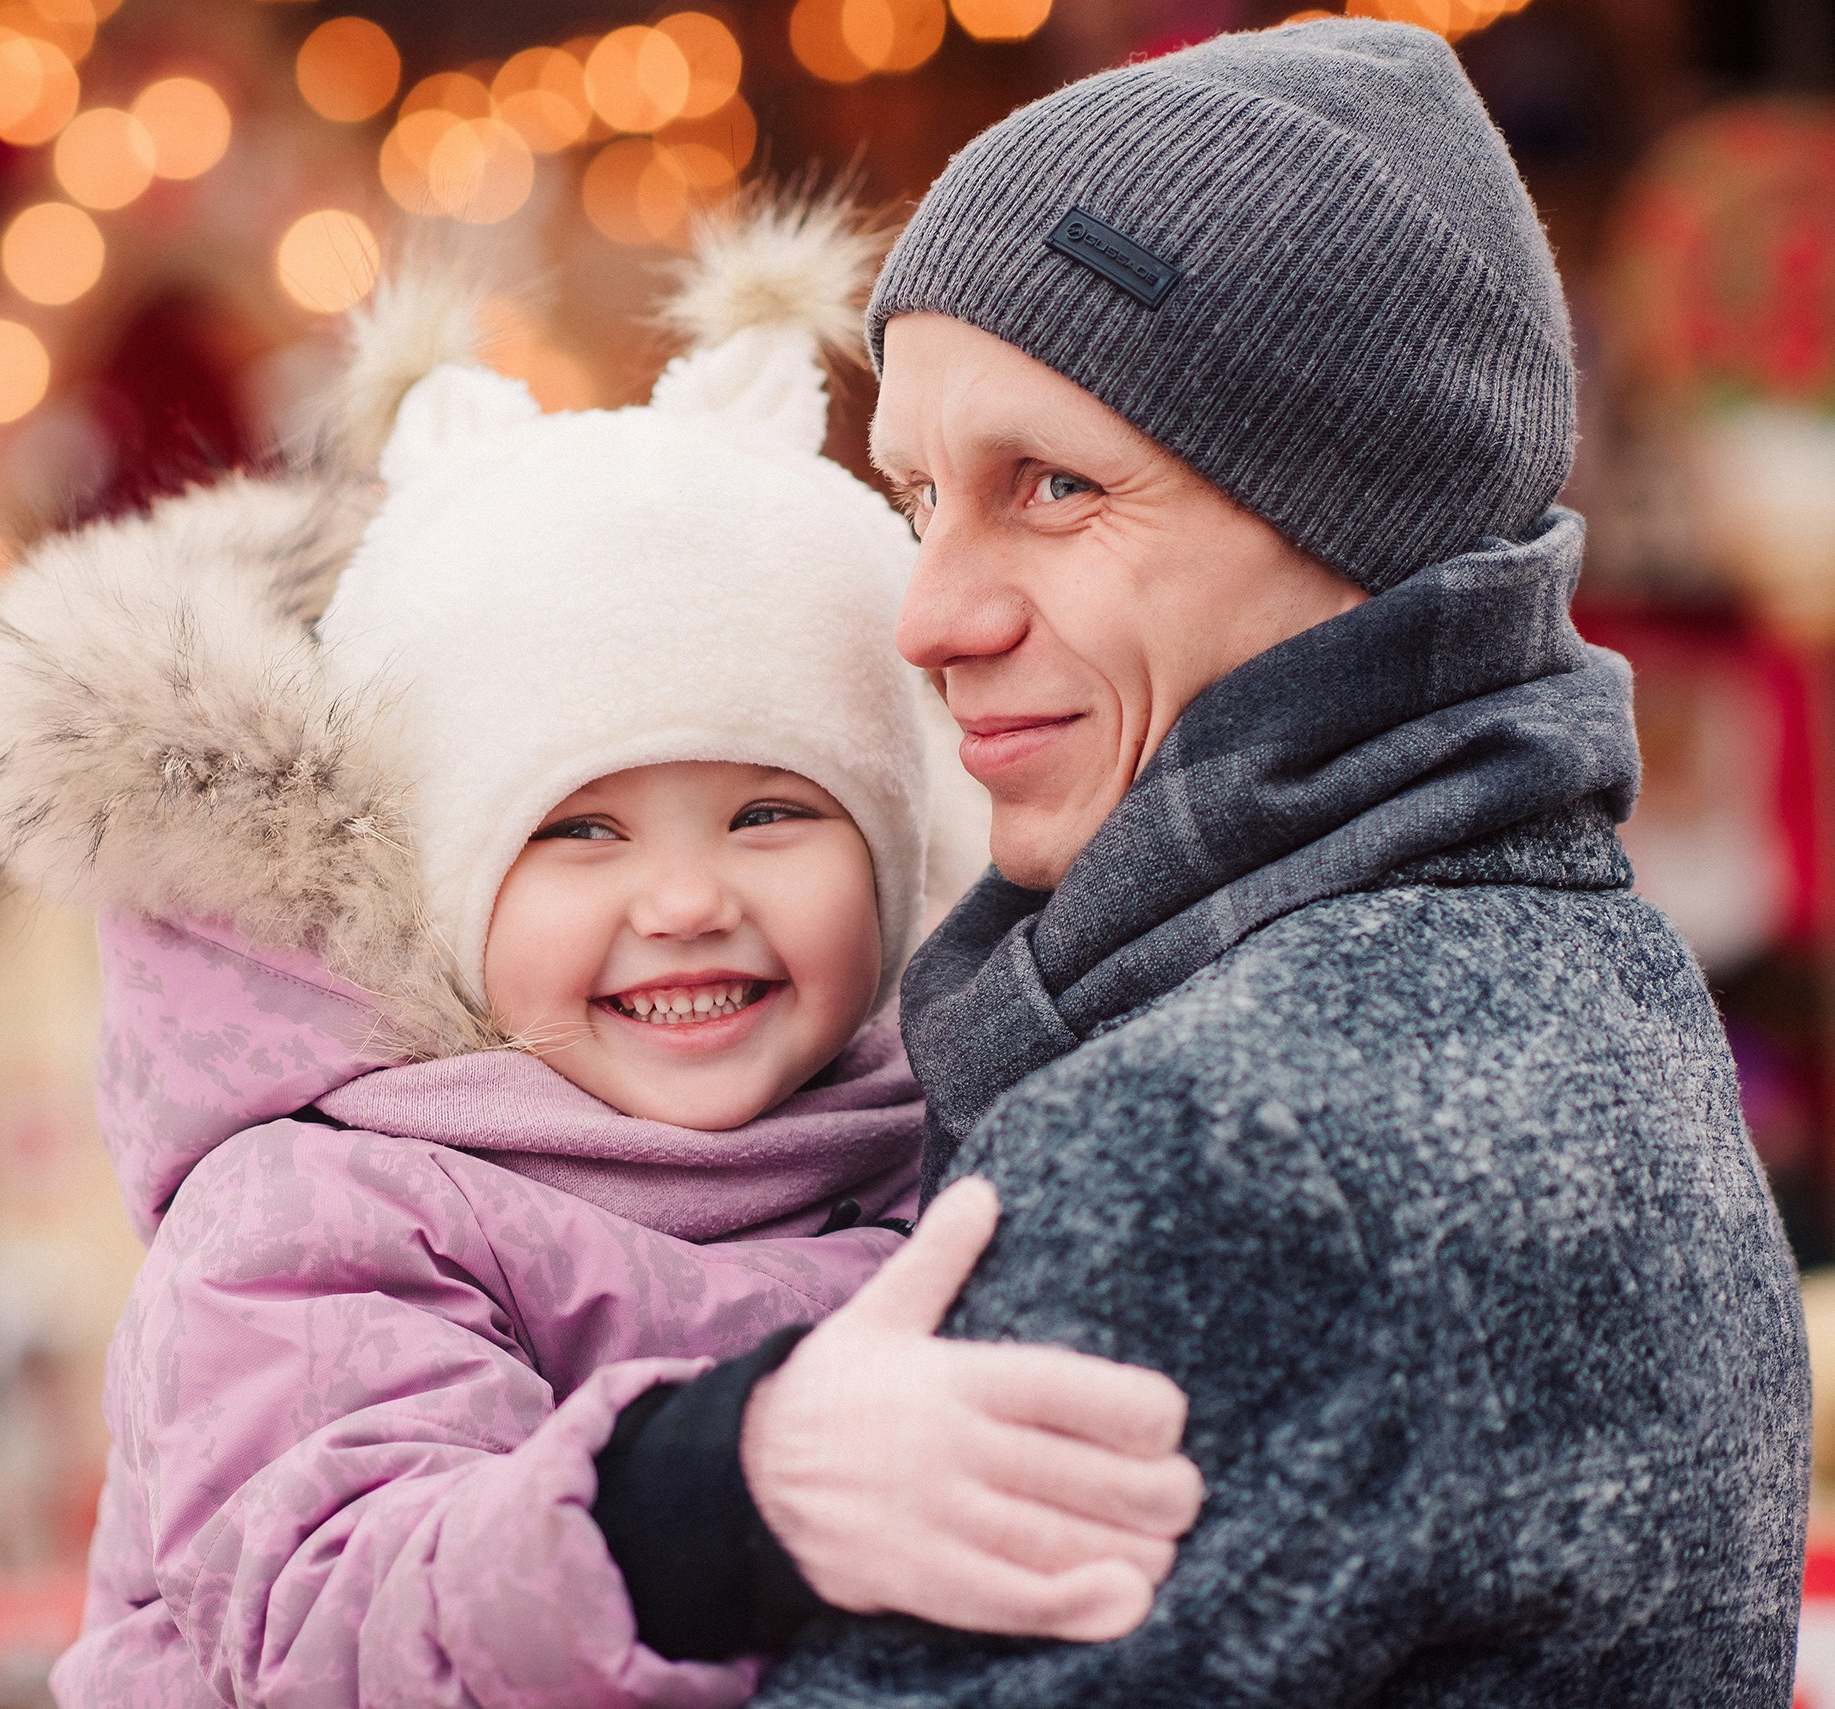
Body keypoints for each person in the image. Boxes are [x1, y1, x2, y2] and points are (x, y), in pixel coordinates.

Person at [586, 18, 1811, 1706]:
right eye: (922, 494)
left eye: (1053, 485)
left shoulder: (1225, 1135)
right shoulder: (1581, 960)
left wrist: (662, 1499)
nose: (930, 616)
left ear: (1356, 515)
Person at [0, 200, 1203, 1709]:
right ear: (446, 892)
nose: (684, 900)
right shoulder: (326, 1208)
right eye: (579, 831)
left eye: (770, 813)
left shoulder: (952, 1128)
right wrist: (718, 1498)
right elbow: (329, 1615)